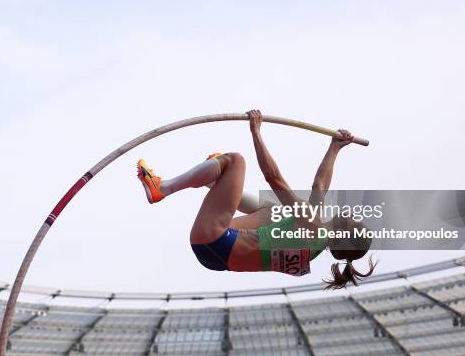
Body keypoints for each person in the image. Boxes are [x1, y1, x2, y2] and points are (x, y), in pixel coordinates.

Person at [137, 110, 376, 289]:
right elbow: (320, 186)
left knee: (235, 161)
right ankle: (216, 182)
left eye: (356, 222)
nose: (352, 216)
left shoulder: (313, 228)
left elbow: (275, 179)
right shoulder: (315, 238)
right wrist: (335, 148)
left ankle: (163, 188)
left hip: (214, 240)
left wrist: (256, 131)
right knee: (275, 213)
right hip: (216, 257)